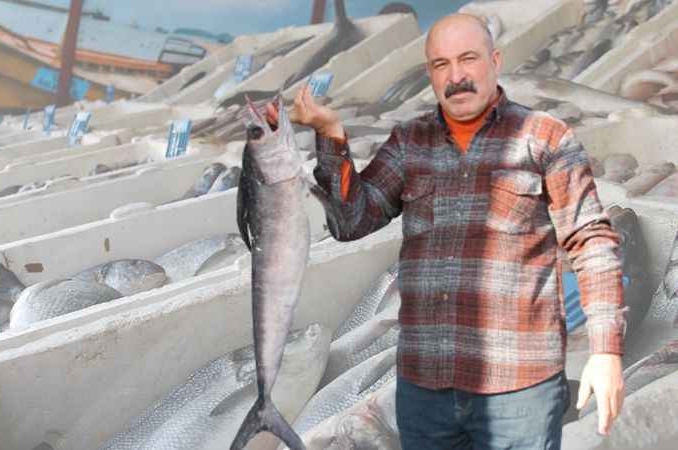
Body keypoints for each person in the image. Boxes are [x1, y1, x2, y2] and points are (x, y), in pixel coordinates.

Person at [267, 13, 626, 450]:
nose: (456, 76)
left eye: (468, 59)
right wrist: (330, 135)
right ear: (430, 73)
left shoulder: (546, 137)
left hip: (518, 390)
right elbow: (351, 221)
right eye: (440, 65)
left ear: (495, 60)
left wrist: (605, 350)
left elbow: (591, 241)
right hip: (426, 390)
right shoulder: (408, 141)